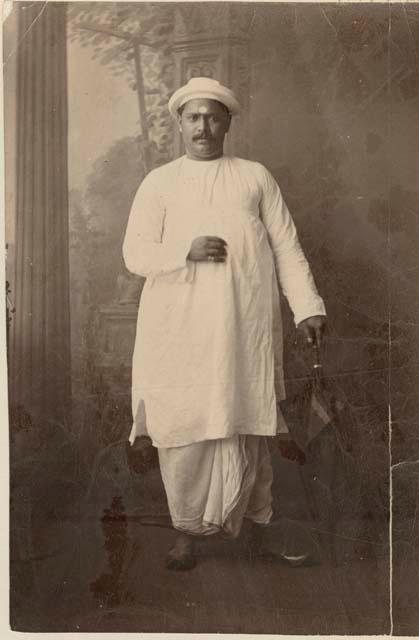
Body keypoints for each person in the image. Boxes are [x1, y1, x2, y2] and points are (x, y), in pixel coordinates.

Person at [123, 77, 327, 570]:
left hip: (243, 327)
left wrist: (308, 307)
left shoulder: (255, 176)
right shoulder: (160, 182)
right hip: (181, 330)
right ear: (179, 124)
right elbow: (134, 253)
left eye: (213, 117)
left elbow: (286, 247)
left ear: (228, 123)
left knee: (247, 423)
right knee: (186, 426)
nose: (203, 127)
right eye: (193, 117)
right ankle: (186, 535)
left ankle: (257, 527)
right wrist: (184, 251)